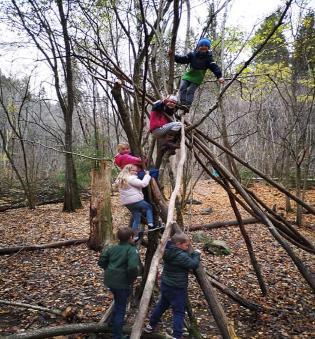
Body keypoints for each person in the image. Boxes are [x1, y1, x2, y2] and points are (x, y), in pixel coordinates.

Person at [144, 233, 201, 339]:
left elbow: (169, 242)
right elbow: (193, 264)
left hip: (166, 285)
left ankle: (150, 326)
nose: (188, 247)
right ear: (178, 244)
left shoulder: (168, 250)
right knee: (179, 312)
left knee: (161, 305)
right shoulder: (181, 256)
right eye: (186, 245)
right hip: (177, 287)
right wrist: (196, 254)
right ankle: (177, 336)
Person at [98, 227, 140, 339]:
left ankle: (112, 322)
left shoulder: (112, 248)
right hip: (122, 283)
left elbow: (101, 261)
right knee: (121, 307)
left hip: (110, 281)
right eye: (133, 237)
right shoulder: (132, 250)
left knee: (118, 300)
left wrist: (109, 269)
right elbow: (132, 267)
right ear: (131, 237)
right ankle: (117, 335)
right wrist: (132, 278)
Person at [170, 38, 224, 109]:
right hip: (189, 74)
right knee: (182, 87)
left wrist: (219, 76)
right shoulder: (192, 55)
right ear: (198, 47)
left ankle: (187, 105)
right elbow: (183, 59)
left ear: (208, 49)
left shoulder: (209, 58)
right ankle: (183, 103)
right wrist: (173, 56)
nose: (203, 51)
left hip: (198, 77)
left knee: (190, 91)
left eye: (205, 49)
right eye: (202, 48)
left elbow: (214, 67)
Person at [115, 164, 156, 240]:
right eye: (133, 170)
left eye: (136, 171)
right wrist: (147, 175)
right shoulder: (131, 178)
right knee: (149, 207)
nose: (136, 172)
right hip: (136, 200)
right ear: (128, 171)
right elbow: (143, 184)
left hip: (127, 203)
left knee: (136, 219)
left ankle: (135, 236)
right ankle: (150, 223)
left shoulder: (120, 180)